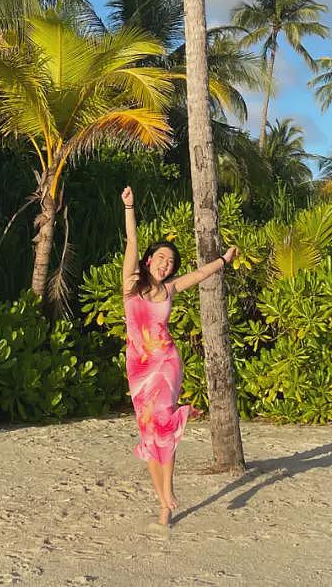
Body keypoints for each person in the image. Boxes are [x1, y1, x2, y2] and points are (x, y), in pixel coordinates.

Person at [120, 184, 237, 526]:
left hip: (167, 362)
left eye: (170, 263)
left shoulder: (169, 289)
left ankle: (168, 491)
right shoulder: (130, 283)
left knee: (165, 425)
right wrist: (129, 207)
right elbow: (131, 242)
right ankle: (163, 503)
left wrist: (223, 261)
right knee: (149, 432)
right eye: (161, 259)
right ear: (149, 261)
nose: (166, 265)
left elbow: (200, 275)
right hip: (139, 368)